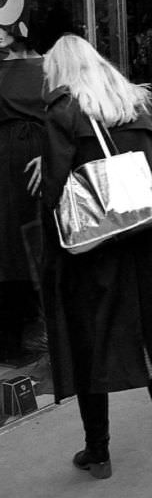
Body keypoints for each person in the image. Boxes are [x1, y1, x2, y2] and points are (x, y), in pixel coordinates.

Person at [40, 34, 152, 498]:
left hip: (95, 253)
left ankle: (98, 451)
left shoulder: (62, 112)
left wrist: (50, 252)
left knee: (88, 343)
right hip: (149, 246)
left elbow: (55, 192)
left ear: (60, 71)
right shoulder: (141, 106)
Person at [0, 23, 47, 363]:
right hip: (44, 153)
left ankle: (16, 336)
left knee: (12, 244)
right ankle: (39, 326)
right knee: (38, 241)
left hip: (10, 157)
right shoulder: (52, 68)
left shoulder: (6, 70)